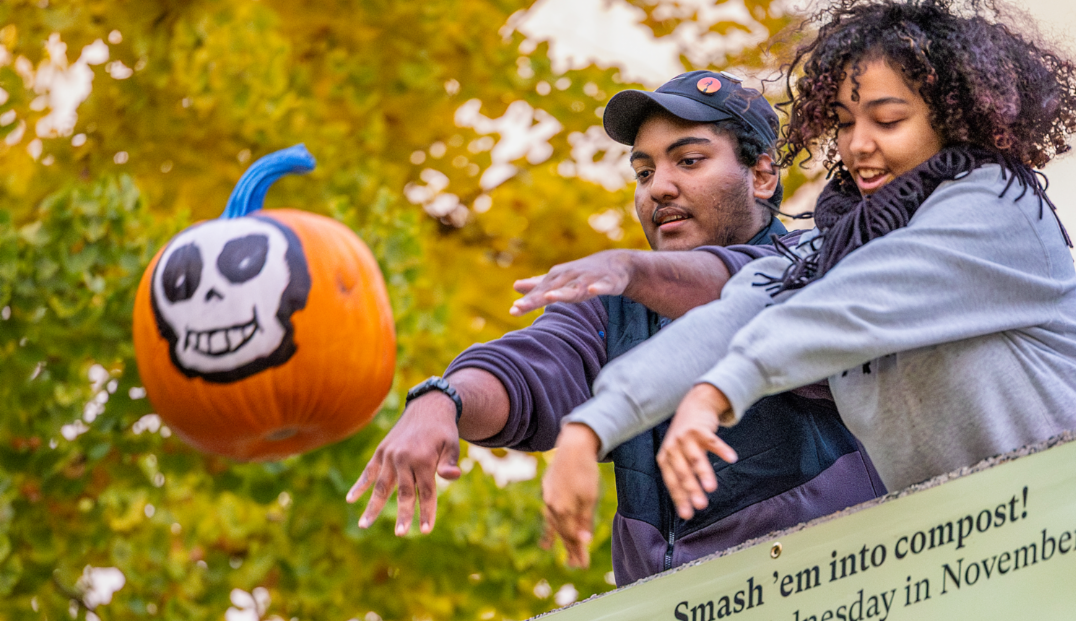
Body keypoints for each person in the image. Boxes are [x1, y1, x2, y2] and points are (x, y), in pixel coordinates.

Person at [541, 0, 1076, 537]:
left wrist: (718, 389)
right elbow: (731, 318)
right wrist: (592, 425)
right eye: (846, 122)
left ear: (951, 119)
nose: (858, 145)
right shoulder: (828, 250)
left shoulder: (998, 211)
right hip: (992, 552)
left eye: (888, 120)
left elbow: (856, 301)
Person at [348, 70, 885, 585]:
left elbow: (744, 296)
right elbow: (534, 366)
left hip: (842, 594)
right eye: (644, 172)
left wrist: (630, 269)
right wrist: (442, 401)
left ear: (763, 176)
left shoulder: (825, 263)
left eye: (689, 160)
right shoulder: (616, 306)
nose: (659, 189)